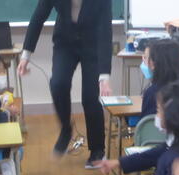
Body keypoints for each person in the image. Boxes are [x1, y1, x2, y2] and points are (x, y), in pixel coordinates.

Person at [18, 0, 112, 166]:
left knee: (90, 98)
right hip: (65, 43)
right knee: (58, 84)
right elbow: (38, 17)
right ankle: (66, 129)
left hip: (92, 44)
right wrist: (26, 56)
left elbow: (105, 30)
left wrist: (104, 76)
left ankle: (97, 150)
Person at [138, 39, 179, 119]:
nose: (143, 61)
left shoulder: (152, 93)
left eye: (145, 58)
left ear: (153, 63)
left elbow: (146, 124)